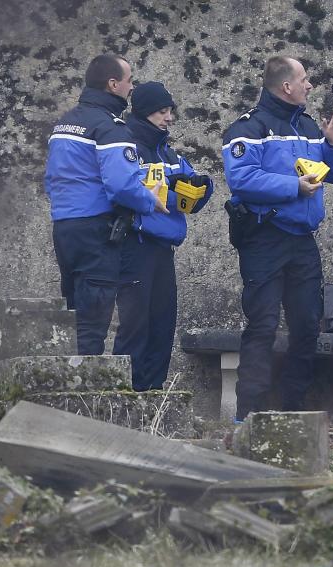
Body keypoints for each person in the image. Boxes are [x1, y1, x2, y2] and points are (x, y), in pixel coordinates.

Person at [221, 56, 333, 422]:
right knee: (262, 325)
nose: (310, 86)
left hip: (301, 240)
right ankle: (248, 415)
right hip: (264, 238)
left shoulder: (310, 127)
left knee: (307, 326)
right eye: (305, 79)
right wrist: (293, 186)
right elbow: (242, 179)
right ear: (286, 87)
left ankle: (293, 411)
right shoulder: (248, 129)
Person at [44, 54, 167, 355]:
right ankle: (88, 395)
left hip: (64, 227)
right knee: (92, 321)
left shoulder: (66, 123)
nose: (131, 86)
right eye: (128, 80)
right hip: (97, 231)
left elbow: (52, 179)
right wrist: (150, 201)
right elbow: (122, 185)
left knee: (72, 314)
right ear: (113, 84)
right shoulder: (110, 127)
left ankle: (71, 382)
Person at [113, 81, 213, 391]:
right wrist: (174, 191)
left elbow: (190, 200)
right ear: (144, 113)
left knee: (162, 325)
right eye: (162, 111)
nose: (169, 118)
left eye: (170, 111)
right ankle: (124, 396)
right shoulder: (129, 147)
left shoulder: (167, 151)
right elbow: (135, 191)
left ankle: (153, 396)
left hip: (163, 248)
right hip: (135, 244)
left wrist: (201, 187)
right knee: (134, 326)